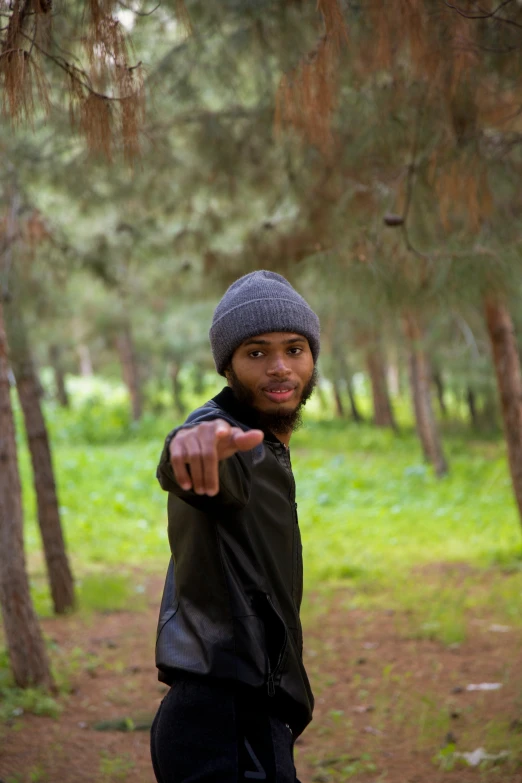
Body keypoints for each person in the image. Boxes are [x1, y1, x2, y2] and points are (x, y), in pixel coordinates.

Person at [150, 270, 320, 783]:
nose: (280, 368)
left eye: (294, 349)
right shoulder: (228, 441)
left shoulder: (268, 444)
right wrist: (185, 448)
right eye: (256, 353)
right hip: (224, 722)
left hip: (243, 718)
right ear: (228, 366)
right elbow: (192, 450)